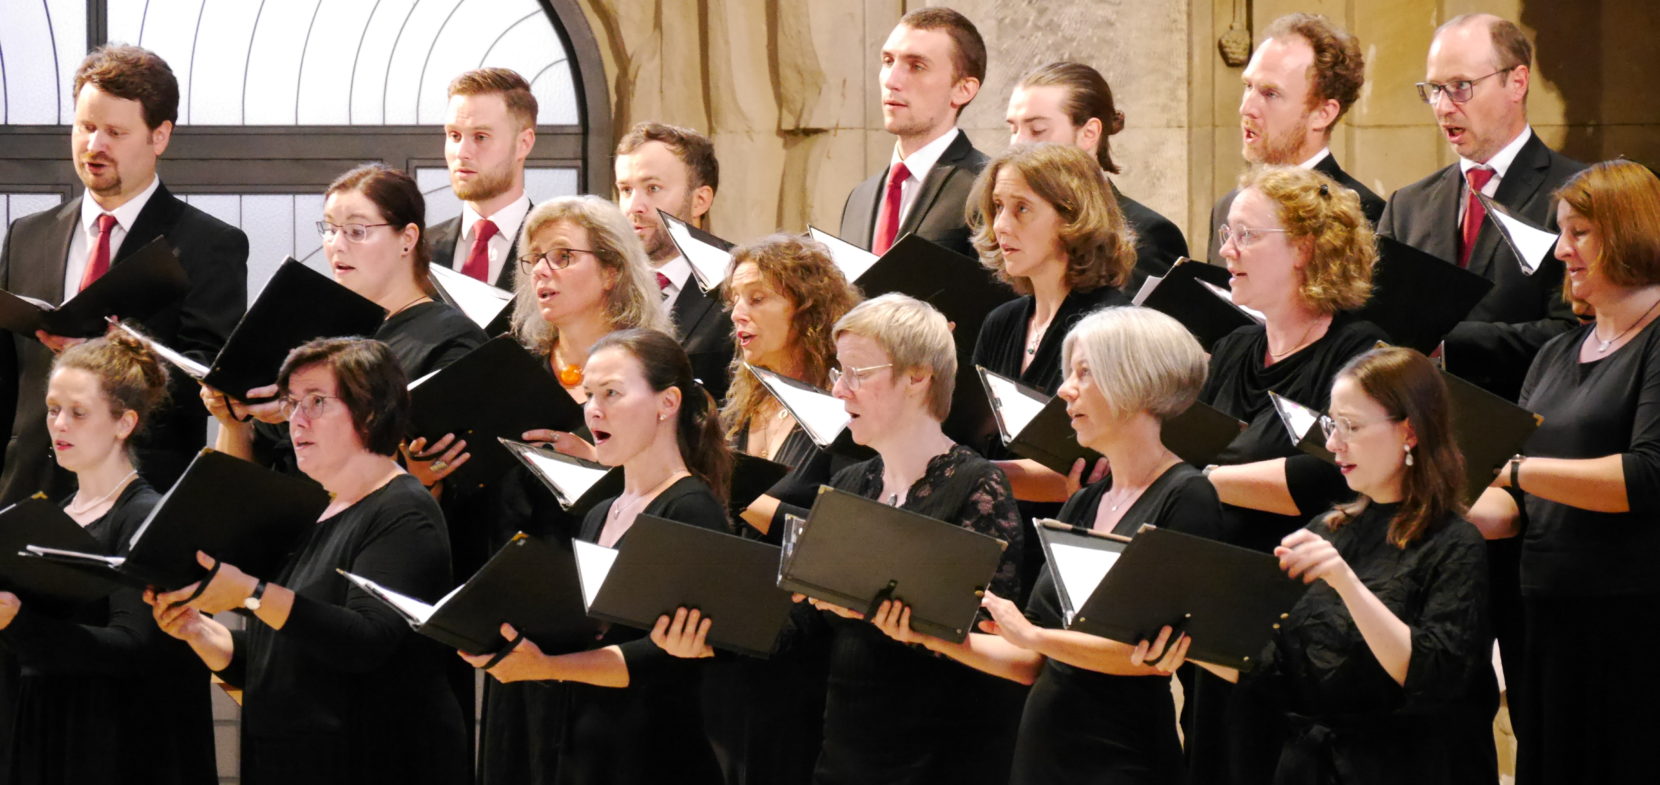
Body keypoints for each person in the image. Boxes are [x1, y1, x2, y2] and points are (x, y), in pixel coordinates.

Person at [872, 305, 1224, 785]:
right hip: (1044, 751)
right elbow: (1030, 663)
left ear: (1135, 380)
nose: (1064, 389)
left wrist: (1032, 636)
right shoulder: (1083, 504)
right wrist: (927, 634)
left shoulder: (1187, 496)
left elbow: (1150, 655)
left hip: (1121, 758)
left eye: (1084, 373)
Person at [1161, 346, 1497, 785]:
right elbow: (1276, 672)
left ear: (1409, 431)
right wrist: (1190, 644)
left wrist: (1346, 582)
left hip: (1408, 766)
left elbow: (1432, 677)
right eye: (1331, 425)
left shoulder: (1454, 542)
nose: (1334, 444)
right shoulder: (1328, 527)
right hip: (1313, 767)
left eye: (1351, 427)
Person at [149, 338, 469, 785]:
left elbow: (364, 641)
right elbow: (280, 658)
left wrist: (252, 594)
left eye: (317, 402)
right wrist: (198, 631)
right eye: (293, 403)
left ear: (371, 411)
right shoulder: (307, 511)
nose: (296, 420)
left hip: (377, 761)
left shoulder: (404, 510)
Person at [438, 195, 669, 785]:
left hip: (609, 624)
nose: (542, 271)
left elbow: (687, 492)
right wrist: (434, 472)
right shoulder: (511, 372)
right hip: (518, 608)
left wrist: (599, 463)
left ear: (612, 270)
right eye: (535, 259)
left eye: (563, 256)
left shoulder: (652, 374)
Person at [775, 293, 1026, 785]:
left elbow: (993, 639)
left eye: (858, 374)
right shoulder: (851, 485)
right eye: (838, 374)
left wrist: (896, 620)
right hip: (847, 752)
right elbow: (801, 631)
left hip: (938, 755)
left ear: (917, 376)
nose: (840, 392)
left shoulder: (976, 485)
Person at [460, 327, 729, 785]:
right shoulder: (602, 510)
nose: (594, 409)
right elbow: (585, 630)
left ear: (668, 403)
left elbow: (663, 659)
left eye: (612, 393)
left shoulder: (689, 508)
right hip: (585, 750)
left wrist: (547, 667)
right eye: (589, 394)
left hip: (654, 760)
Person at [1466, 160, 1660, 784]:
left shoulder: (1655, 340)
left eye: (1579, 232)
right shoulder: (1556, 352)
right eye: (1561, 231)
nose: (1562, 251)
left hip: (1629, 621)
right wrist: (1428, 497)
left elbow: (1645, 476)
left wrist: (1514, 469)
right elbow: (1509, 507)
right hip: (1541, 614)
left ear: (1629, 233)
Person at [1194, 165, 1385, 785]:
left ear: (1304, 248)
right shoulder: (1230, 352)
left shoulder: (1358, 351)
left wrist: (1208, 481)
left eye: (1246, 235)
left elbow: (1328, 474)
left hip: (1301, 609)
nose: (1227, 249)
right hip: (1218, 598)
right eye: (1228, 233)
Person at [0, 44, 247, 504]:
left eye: (114, 131)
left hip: (143, 492)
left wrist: (110, 362)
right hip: (27, 490)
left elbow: (209, 381)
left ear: (159, 136)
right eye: (85, 127)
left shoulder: (208, 244)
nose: (94, 146)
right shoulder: (27, 236)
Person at [0, 330, 215, 785]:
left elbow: (132, 646)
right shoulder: (53, 515)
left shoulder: (145, 516)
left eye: (78, 413)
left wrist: (17, 623)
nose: (58, 425)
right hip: (51, 728)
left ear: (124, 423)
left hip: (116, 745)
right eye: (54, 410)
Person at [702, 234, 861, 785]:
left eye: (758, 299)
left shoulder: (845, 415)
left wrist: (743, 501)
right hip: (730, 633)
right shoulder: (739, 410)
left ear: (808, 308)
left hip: (803, 651)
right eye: (733, 301)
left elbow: (841, 539)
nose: (738, 314)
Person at [204, 163, 487, 468]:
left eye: (356, 231)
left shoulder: (450, 340)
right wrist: (233, 421)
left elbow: (426, 477)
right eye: (330, 229)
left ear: (407, 238)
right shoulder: (311, 336)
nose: (336, 245)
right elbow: (238, 484)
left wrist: (297, 410)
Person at [1377, 13, 1582, 401]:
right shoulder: (1408, 206)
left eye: (1460, 86)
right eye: (1434, 89)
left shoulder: (1576, 193)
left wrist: (1445, 344)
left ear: (1517, 82)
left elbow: (1577, 331)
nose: (1442, 107)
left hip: (1529, 425)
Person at [1206, 13, 1384, 263]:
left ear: (1323, 114)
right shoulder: (1227, 207)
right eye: (1248, 86)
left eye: (1270, 93)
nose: (1246, 108)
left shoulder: (1364, 214)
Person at [1005, 61, 1188, 286]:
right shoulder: (1007, 225)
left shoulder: (1146, 234)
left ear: (1089, 133)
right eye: (1013, 129)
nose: (1018, 144)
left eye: (1037, 130)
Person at [840, 7, 989, 260]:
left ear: (963, 89)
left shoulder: (986, 186)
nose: (891, 80)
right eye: (888, 61)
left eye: (916, 66)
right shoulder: (859, 197)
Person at [614, 122, 735, 401]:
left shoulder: (741, 282)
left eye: (653, 188)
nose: (634, 207)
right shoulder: (602, 280)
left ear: (700, 200)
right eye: (626, 190)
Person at [428, 68, 538, 292]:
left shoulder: (558, 253)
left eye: (480, 137)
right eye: (454, 136)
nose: (462, 152)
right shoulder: (419, 253)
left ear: (523, 144)